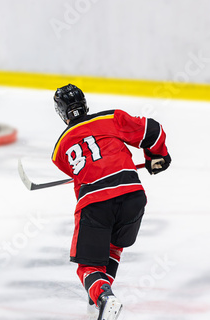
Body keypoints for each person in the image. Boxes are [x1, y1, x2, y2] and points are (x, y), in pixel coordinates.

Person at [51, 84, 171, 320]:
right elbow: (153, 131)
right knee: (113, 247)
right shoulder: (111, 118)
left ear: (61, 113)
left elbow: (83, 184)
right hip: (133, 195)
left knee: (87, 266)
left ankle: (103, 296)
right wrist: (157, 157)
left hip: (95, 201)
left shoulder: (59, 151)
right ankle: (97, 294)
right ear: (85, 104)